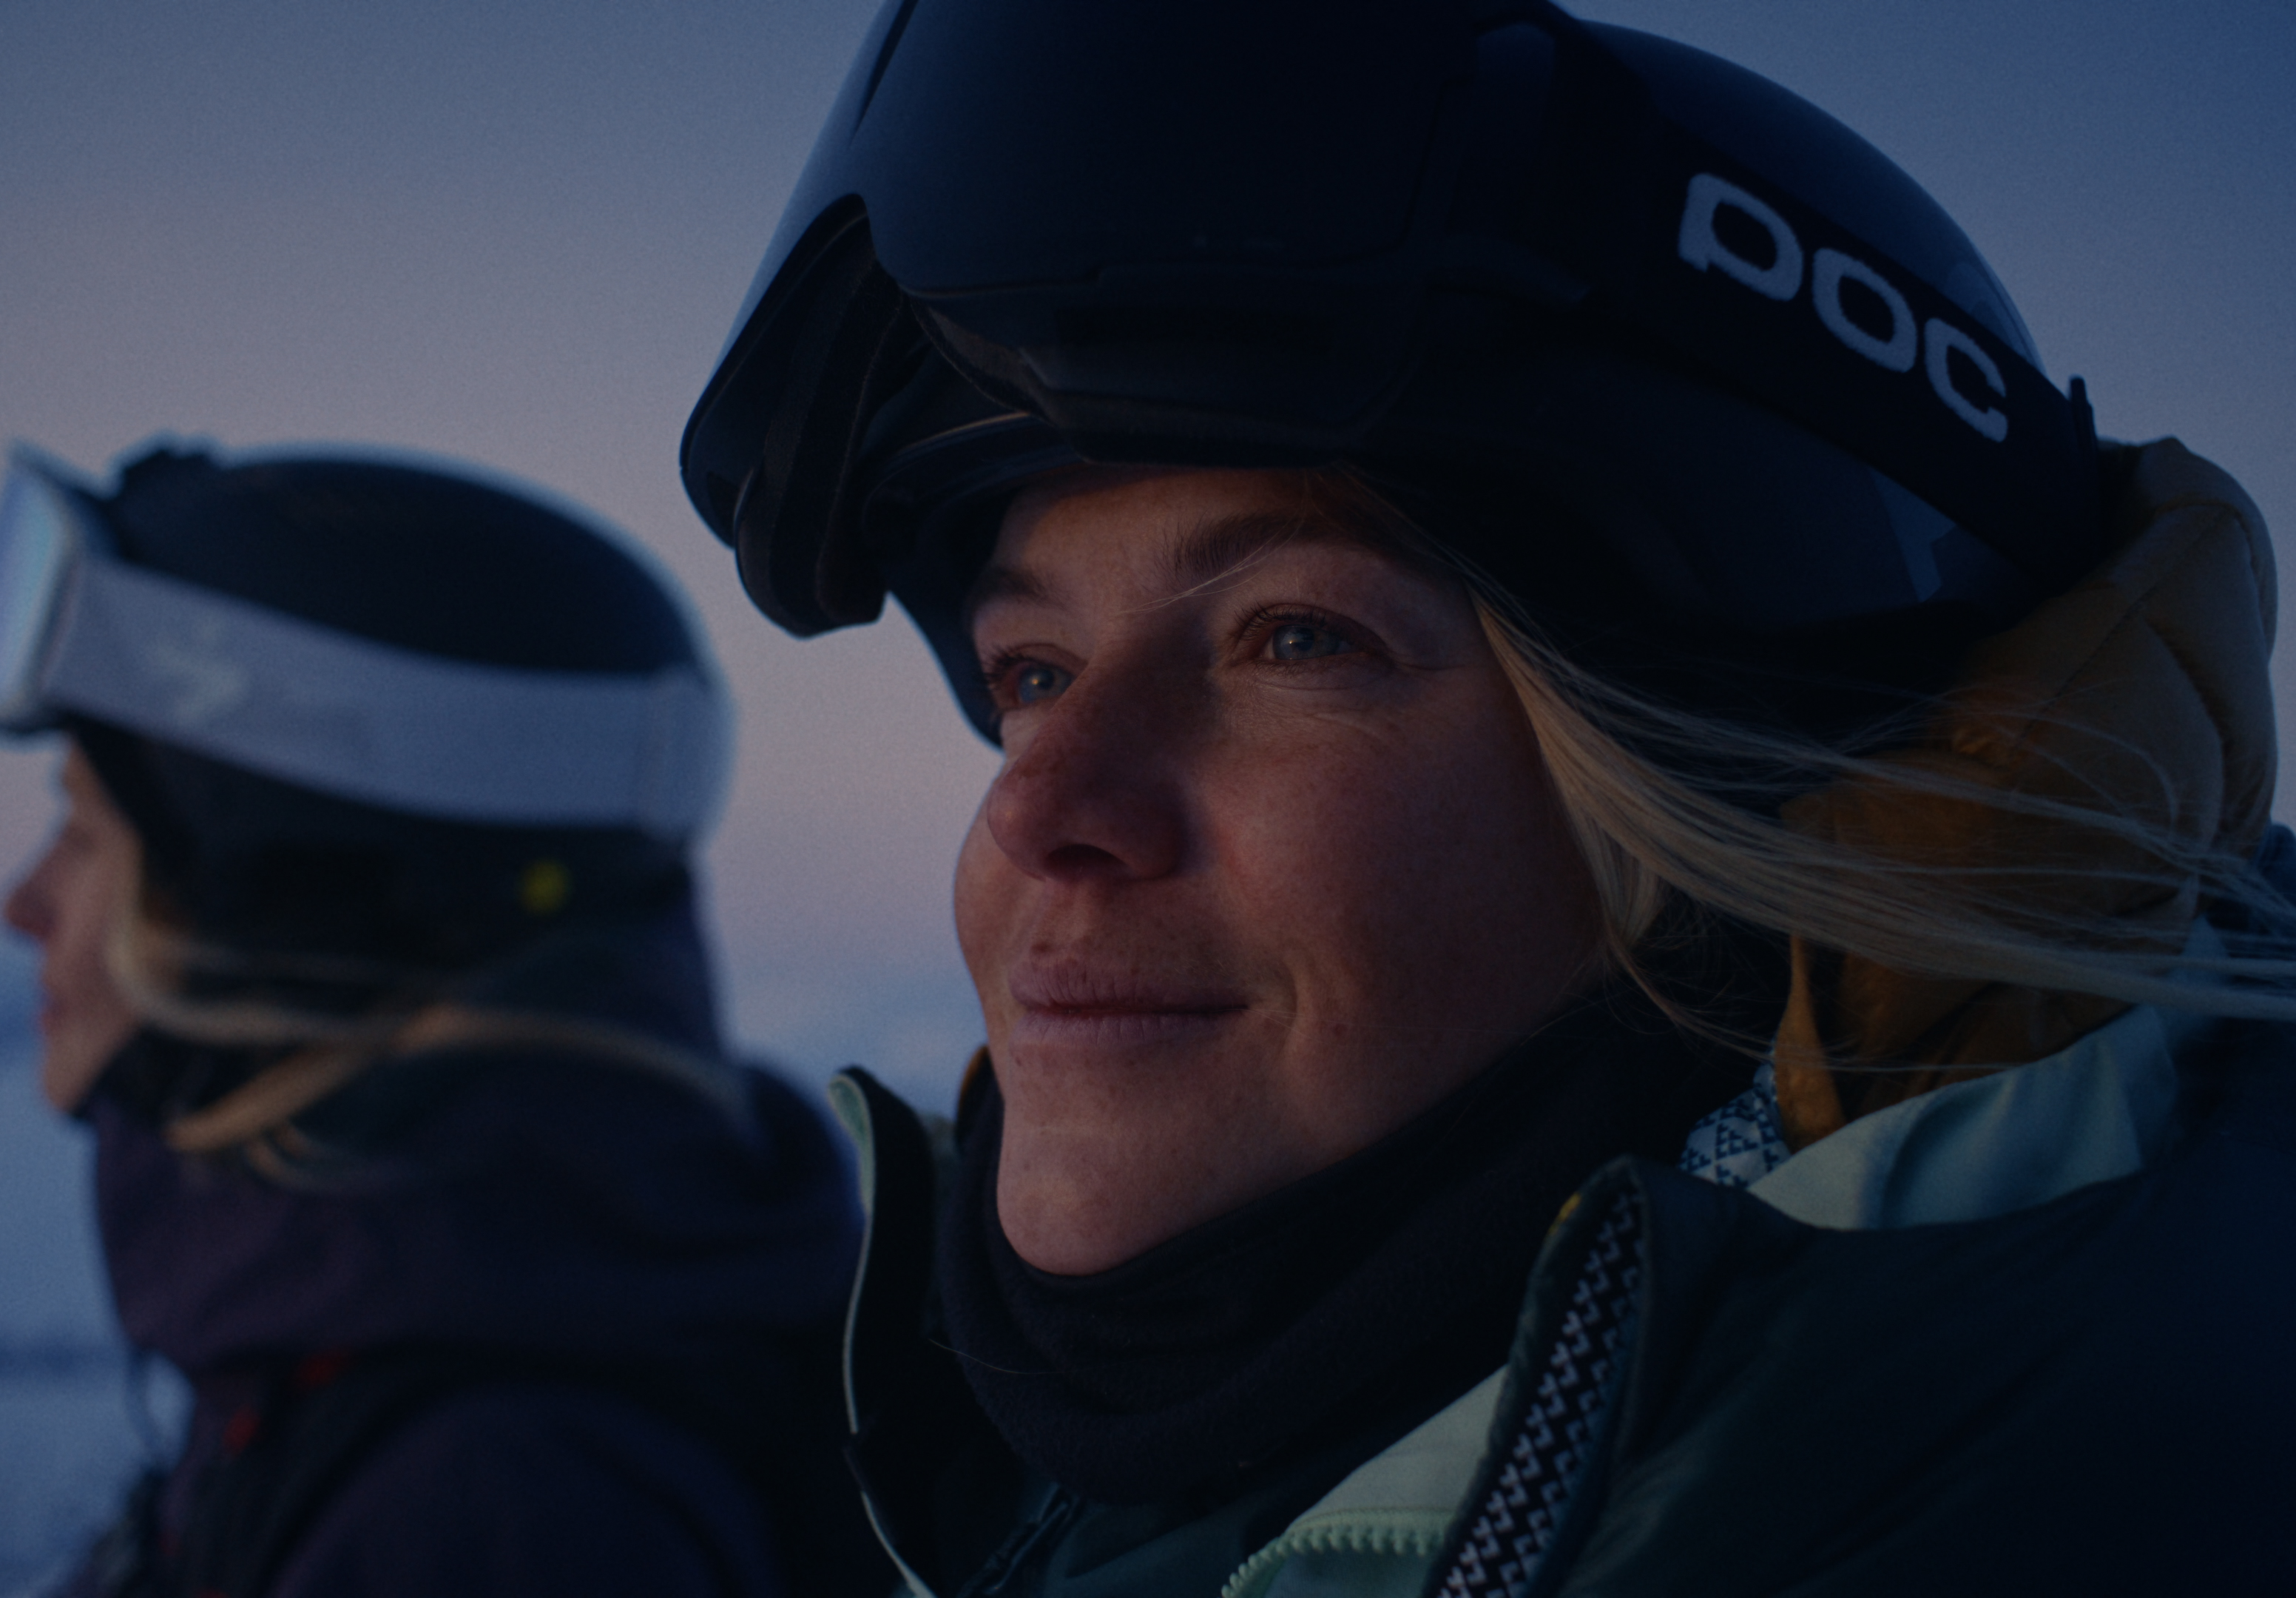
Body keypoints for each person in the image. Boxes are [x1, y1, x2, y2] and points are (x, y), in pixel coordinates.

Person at [675, 0, 2296, 1593]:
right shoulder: (1006, 1474)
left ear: (1728, 815)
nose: (1037, 815)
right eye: (1032, 673)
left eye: (1297, 638)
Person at [0, 443, 875, 1597]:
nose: (22, 903)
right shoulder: (400, 1339)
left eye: (83, 833)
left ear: (284, 906)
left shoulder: (493, 1510)